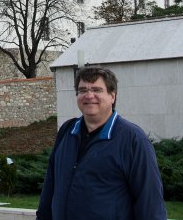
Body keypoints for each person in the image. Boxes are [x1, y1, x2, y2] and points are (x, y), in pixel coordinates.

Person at [36, 66, 167, 220]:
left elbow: (151, 206)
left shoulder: (133, 140)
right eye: (83, 90)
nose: (89, 95)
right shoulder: (67, 132)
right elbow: (50, 188)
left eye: (97, 90)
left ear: (112, 96)